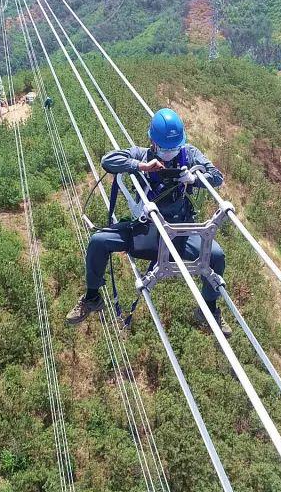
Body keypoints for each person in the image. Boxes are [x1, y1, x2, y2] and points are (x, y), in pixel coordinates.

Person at [66, 108, 231, 337]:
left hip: (179, 232)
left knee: (216, 256)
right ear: (153, 142)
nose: (169, 154)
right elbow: (109, 160)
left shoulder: (190, 154)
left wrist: (194, 178)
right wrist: (140, 167)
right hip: (146, 229)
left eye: (173, 148)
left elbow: (217, 177)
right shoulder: (141, 154)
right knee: (98, 241)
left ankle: (210, 308)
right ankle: (92, 297)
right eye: (164, 149)